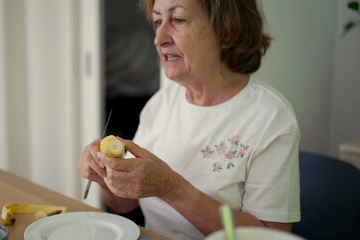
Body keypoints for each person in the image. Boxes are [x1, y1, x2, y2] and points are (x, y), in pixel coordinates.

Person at [78, 0, 301, 239]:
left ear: (225, 30)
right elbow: (126, 205)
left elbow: (271, 237)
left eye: (178, 20)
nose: (159, 38)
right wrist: (103, 176)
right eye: (157, 21)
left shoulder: (269, 116)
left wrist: (171, 187)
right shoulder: (161, 103)